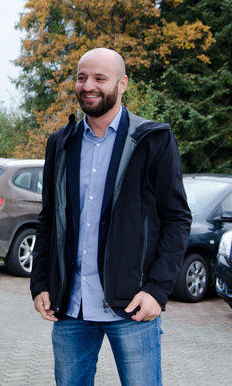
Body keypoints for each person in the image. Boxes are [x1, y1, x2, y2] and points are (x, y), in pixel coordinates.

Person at [30, 48, 192, 386]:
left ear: (122, 84)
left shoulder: (153, 140)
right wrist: (40, 283)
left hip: (132, 307)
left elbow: (176, 219)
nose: (88, 85)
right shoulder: (60, 143)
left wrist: (157, 290)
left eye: (100, 78)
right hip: (71, 307)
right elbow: (49, 218)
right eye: (81, 77)